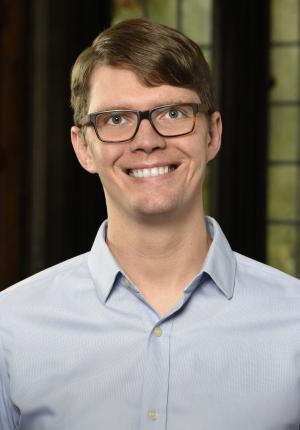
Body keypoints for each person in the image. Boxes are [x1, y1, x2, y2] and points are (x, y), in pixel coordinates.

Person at [1, 18, 300, 430]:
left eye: (173, 112)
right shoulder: (10, 327)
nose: (147, 141)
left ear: (212, 134)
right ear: (83, 147)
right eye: (117, 120)